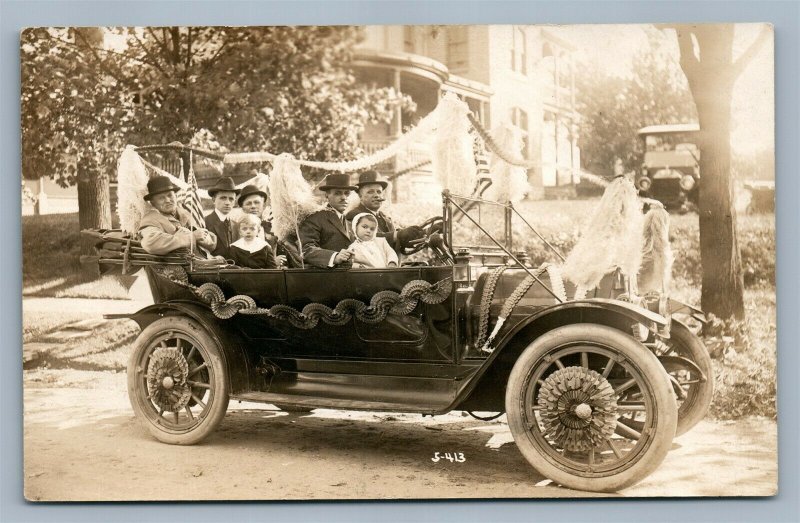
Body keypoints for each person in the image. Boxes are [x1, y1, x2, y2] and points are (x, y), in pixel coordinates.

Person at [344, 170, 425, 254]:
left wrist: (422, 233)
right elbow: (370, 238)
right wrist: (397, 235)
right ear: (360, 196)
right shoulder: (355, 215)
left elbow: (400, 239)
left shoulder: (384, 217)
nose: (376, 195)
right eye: (370, 192)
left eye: (379, 192)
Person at [138, 176, 217, 255]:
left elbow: (211, 242)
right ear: (153, 203)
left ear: (175, 196)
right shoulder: (150, 219)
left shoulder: (184, 213)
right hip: (174, 266)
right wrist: (191, 237)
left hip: (202, 261)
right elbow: (150, 243)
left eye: (170, 195)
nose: (168, 200)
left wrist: (203, 237)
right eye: (161, 198)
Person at [298, 173, 357, 268]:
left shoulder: (350, 222)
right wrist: (334, 257)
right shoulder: (316, 217)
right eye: (337, 193)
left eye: (347, 193)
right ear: (327, 195)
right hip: (326, 277)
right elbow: (306, 249)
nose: (343, 197)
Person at [237, 184, 298, 267]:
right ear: (242, 208)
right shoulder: (237, 229)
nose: (253, 206)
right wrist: (272, 262)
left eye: (257, 202)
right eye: (248, 203)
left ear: (263, 205)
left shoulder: (271, 227)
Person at [204, 177, 240, 258]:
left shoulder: (237, 226)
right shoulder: (204, 222)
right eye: (223, 198)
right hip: (214, 269)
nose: (227, 202)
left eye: (231, 199)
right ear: (213, 200)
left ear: (234, 202)